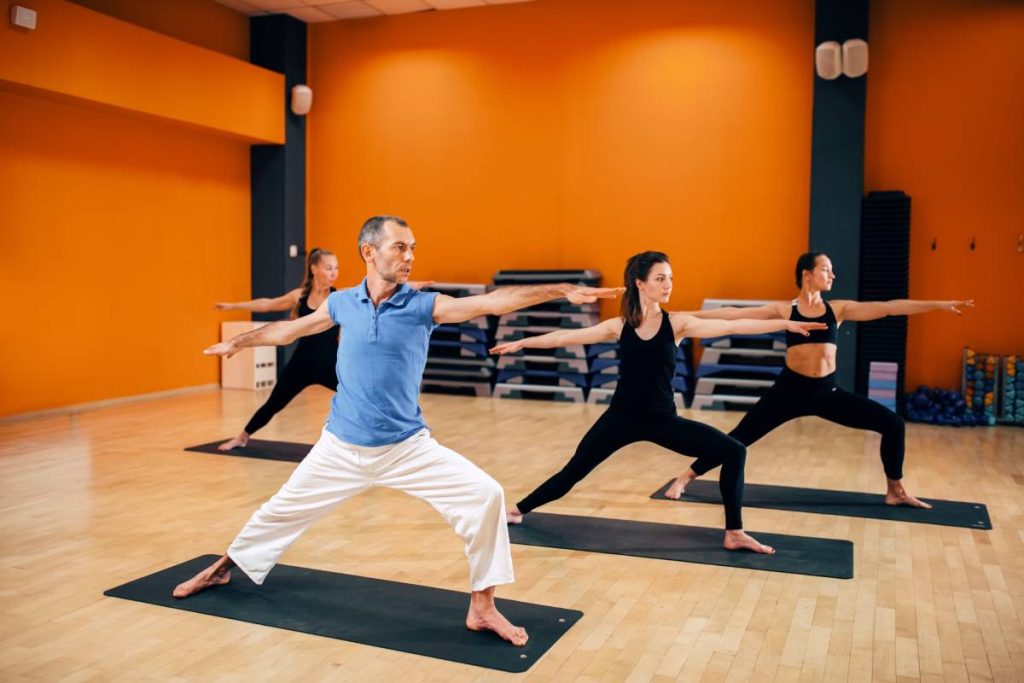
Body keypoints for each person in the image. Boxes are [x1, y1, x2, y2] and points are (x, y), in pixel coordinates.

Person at [172, 215, 624, 646]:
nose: (409, 256)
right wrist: (238, 341)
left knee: (485, 495)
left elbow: (490, 301)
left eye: (412, 249)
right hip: (340, 446)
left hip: (406, 448)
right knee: (280, 511)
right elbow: (289, 331)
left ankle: (482, 606)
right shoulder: (341, 303)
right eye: (399, 247)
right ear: (369, 251)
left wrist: (561, 290)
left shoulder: (423, 305)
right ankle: (224, 566)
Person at [492, 251, 826, 554]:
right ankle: (517, 510)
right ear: (640, 283)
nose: (668, 285)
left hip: (662, 421)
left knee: (734, 450)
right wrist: (522, 342)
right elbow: (565, 337)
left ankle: (734, 532)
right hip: (620, 418)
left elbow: (732, 323)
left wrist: (784, 323)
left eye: (670, 278)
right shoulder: (619, 326)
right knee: (573, 471)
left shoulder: (677, 323)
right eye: (660, 278)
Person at [664, 250, 973, 507]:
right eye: (826, 269)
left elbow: (889, 308)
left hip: (828, 392)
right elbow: (731, 314)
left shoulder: (837, 309)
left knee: (893, 424)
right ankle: (685, 477)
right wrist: (684, 316)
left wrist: (939, 305)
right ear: (807, 274)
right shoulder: (784, 309)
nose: (832, 275)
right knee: (739, 437)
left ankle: (896, 489)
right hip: (789, 391)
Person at [214, 248, 339, 451]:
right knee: (274, 403)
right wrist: (234, 306)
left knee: (361, 397)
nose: (334, 273)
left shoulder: (339, 297)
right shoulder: (300, 296)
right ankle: (242, 437)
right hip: (302, 363)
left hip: (332, 363)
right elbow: (267, 304)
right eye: (329, 268)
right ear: (314, 269)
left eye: (336, 268)